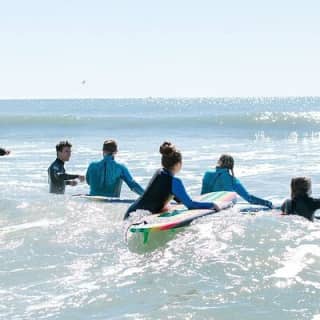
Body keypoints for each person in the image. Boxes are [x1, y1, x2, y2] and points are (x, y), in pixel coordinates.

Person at [124, 141, 220, 220]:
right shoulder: (174, 182)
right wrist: (212, 205)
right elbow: (190, 205)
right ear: (178, 164)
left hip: (131, 212)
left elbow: (165, 194)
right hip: (139, 218)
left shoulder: (159, 172)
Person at [201, 154, 272, 208]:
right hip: (223, 205)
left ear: (219, 162)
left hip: (205, 203)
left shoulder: (207, 174)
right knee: (234, 196)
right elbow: (249, 198)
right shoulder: (233, 180)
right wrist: (268, 204)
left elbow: (204, 194)